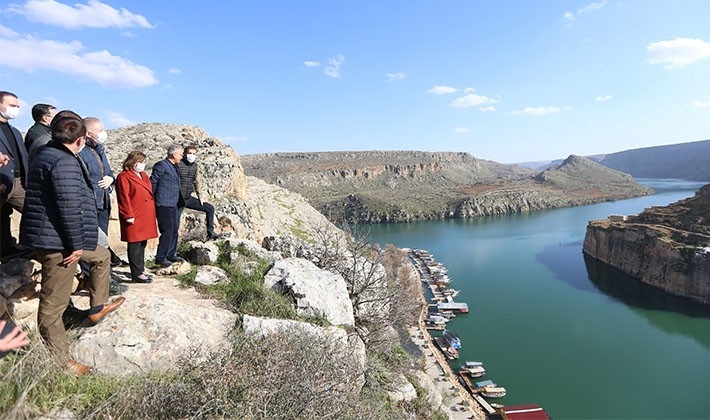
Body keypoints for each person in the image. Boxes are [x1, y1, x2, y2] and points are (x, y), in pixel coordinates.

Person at [19, 114, 125, 375]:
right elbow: (68, 207)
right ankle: (61, 363)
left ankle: (96, 307)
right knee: (52, 307)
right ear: (80, 139)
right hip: (59, 243)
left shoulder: (48, 153)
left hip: (61, 236)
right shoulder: (63, 162)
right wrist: (76, 246)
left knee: (101, 256)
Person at [77, 117, 125, 267]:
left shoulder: (100, 150)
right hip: (90, 203)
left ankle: (103, 273)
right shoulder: (81, 151)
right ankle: (89, 275)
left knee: (102, 241)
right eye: (100, 130)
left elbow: (109, 172)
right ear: (89, 133)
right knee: (91, 242)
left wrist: (111, 179)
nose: (104, 133)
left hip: (103, 202)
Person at [116, 151, 158, 282]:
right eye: (141, 162)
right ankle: (136, 274)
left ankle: (140, 269)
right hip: (134, 213)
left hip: (145, 213)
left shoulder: (143, 175)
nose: (143, 165)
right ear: (133, 163)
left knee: (142, 243)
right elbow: (124, 197)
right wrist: (128, 214)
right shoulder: (124, 176)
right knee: (134, 244)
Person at [0, 91, 28, 258]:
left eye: (17, 106)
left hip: (17, 182)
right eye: (12, 106)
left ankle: (20, 246)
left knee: (34, 211)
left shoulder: (15, 131)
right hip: (2, 181)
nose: (16, 109)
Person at [177, 145, 224, 240]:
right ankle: (172, 250)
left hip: (188, 198)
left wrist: (200, 196)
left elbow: (197, 181)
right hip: (177, 199)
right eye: (190, 153)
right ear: (185, 154)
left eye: (194, 154)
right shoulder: (178, 164)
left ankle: (210, 233)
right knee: (175, 223)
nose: (192, 156)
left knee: (209, 208)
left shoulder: (195, 166)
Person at [150, 144, 185, 268]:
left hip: (173, 203)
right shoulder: (161, 165)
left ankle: (171, 254)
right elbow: (153, 182)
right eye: (180, 154)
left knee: (174, 230)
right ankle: (161, 257)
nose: (182, 156)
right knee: (167, 231)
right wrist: (152, 200)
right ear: (174, 154)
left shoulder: (175, 167)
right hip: (163, 203)